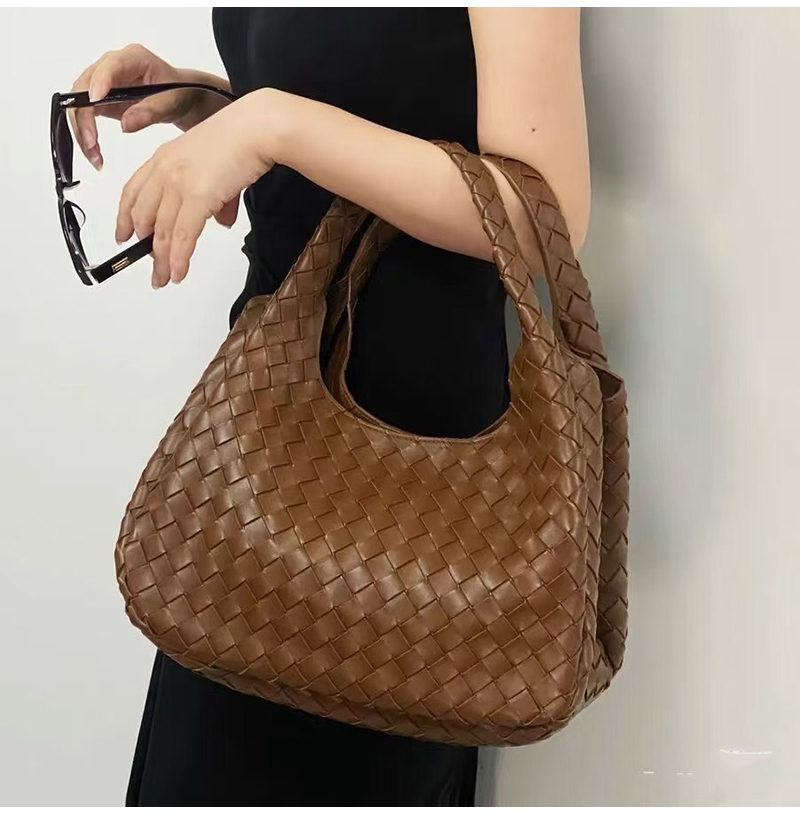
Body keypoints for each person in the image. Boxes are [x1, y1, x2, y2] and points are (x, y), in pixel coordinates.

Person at [68, 8, 591, 806]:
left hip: (412, 467)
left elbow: (540, 206)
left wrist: (270, 124)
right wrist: (212, 105)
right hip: (264, 431)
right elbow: (391, 95)